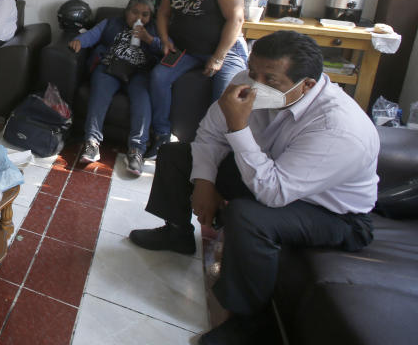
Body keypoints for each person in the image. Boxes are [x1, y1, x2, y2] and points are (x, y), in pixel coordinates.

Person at [129, 31, 378, 345]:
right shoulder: (252, 79)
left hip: (329, 211)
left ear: (308, 86)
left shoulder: (338, 129)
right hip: (267, 171)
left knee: (249, 216)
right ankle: (176, 232)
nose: (255, 83)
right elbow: (208, 133)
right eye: (253, 71)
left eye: (270, 79)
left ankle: (248, 323)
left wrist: (238, 125)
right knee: (177, 155)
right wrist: (204, 184)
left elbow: (273, 193)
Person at [149, 0, 247, 157]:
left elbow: (236, 19)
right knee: (158, 77)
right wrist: (165, 39)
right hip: (185, 50)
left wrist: (219, 57)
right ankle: (162, 134)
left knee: (225, 93)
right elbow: (163, 13)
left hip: (224, 50)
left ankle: (214, 147)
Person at [69, 0, 162, 173]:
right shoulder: (111, 22)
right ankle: (92, 143)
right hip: (109, 67)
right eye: (135, 12)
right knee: (99, 94)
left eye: (145, 14)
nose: (139, 18)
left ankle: (136, 150)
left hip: (139, 73)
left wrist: (149, 39)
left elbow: (167, 49)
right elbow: (93, 34)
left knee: (142, 100)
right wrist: (79, 40)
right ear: (126, 11)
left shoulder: (155, 29)